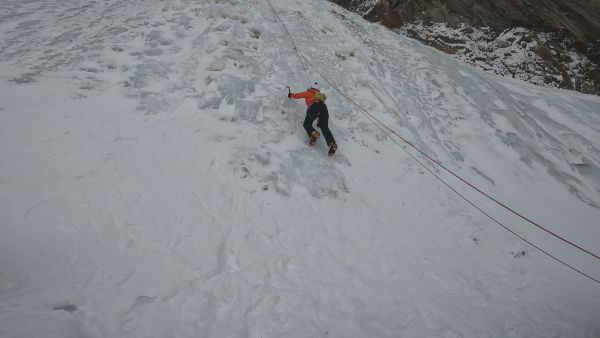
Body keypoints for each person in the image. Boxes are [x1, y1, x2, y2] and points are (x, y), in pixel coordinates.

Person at [288, 86, 337, 155]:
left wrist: (291, 95)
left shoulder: (309, 92)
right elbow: (319, 110)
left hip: (315, 106)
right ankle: (332, 143)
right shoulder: (320, 96)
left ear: (312, 88)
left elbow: (298, 95)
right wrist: (319, 121)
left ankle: (314, 133)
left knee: (306, 124)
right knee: (324, 127)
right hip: (324, 109)